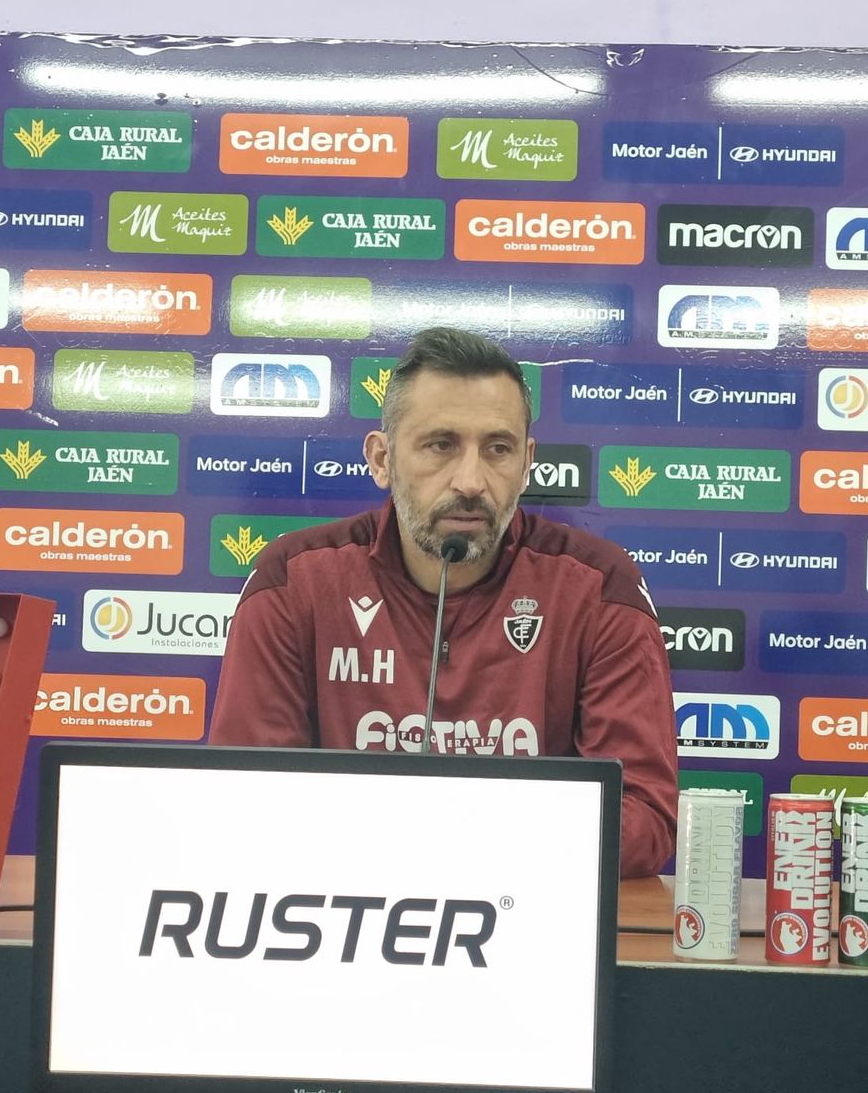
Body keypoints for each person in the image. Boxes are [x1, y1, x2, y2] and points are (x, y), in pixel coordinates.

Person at [208, 327, 678, 877]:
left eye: (497, 449)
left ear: (527, 464)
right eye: (441, 445)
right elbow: (246, 800)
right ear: (382, 459)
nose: (472, 480)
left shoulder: (597, 589)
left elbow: (643, 820)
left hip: (529, 918)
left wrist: (439, 830)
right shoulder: (296, 582)